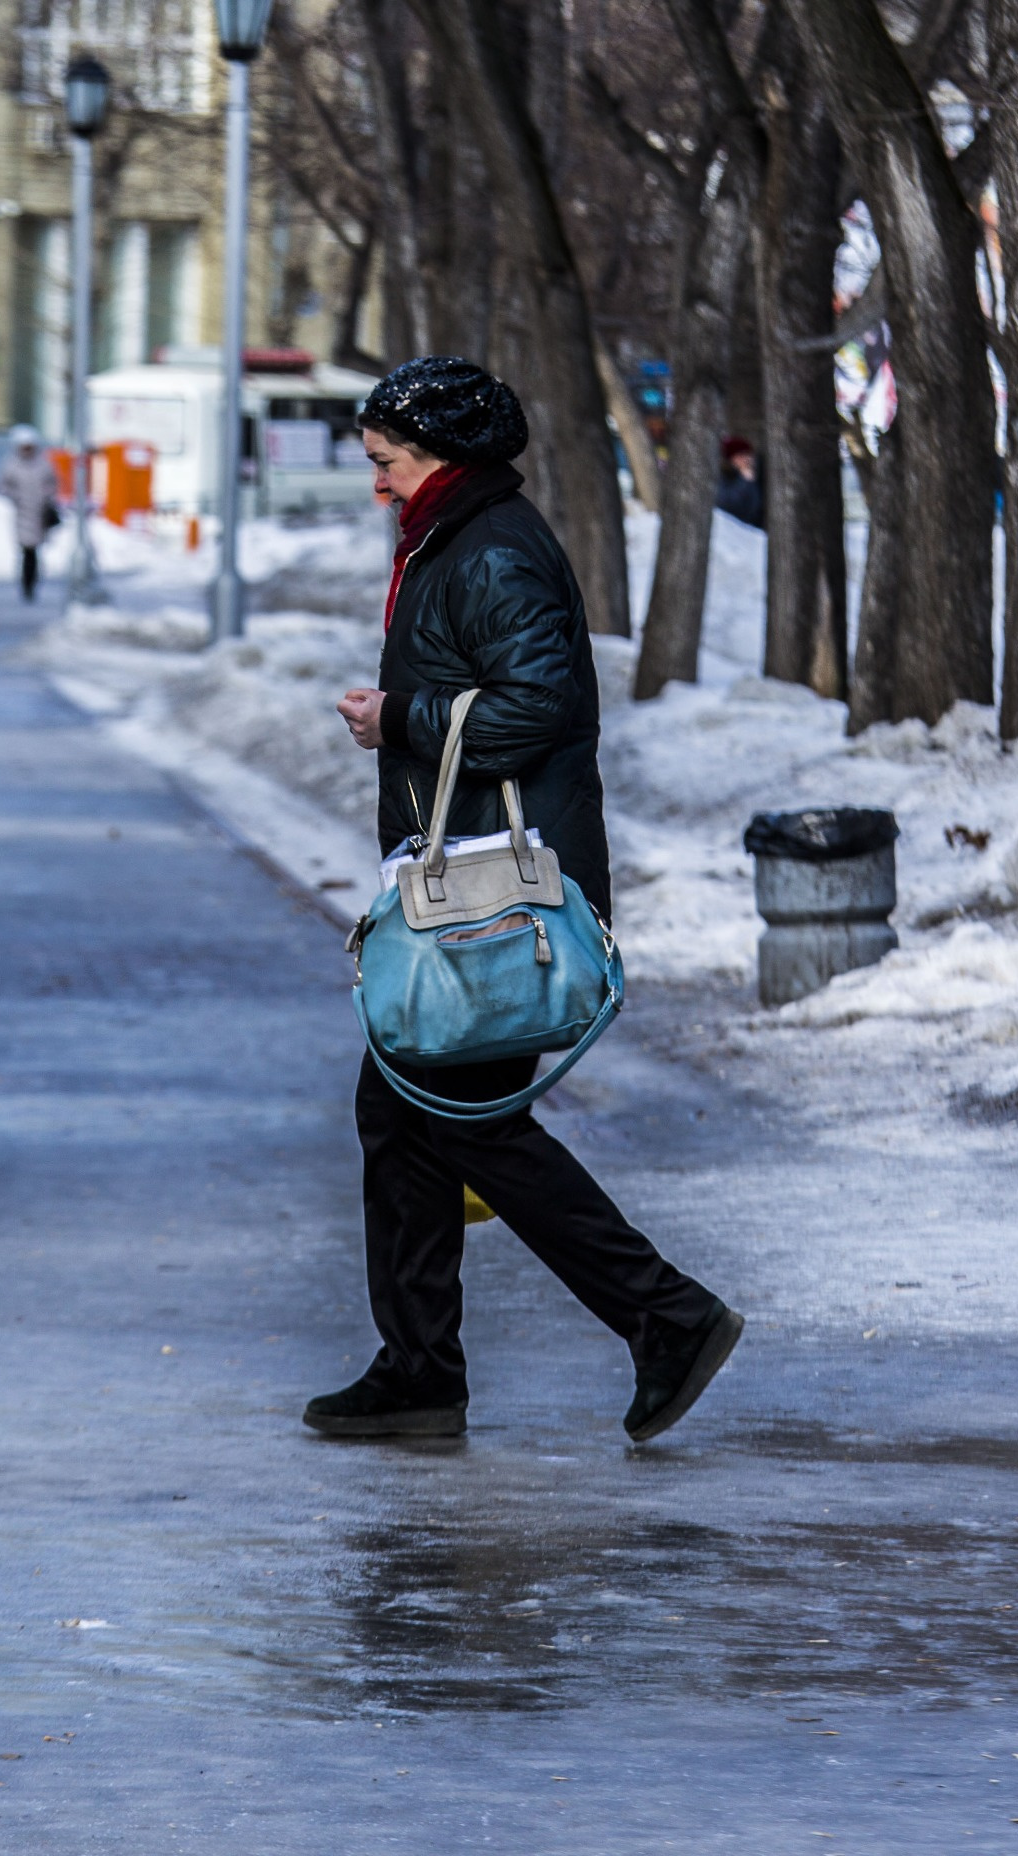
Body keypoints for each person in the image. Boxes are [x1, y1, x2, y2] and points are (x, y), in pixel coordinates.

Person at [310, 355, 742, 1445]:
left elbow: (536, 708)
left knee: (466, 1119)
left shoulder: (491, 552)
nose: (377, 485)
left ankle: (666, 1315)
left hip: (502, 896)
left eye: (387, 462)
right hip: (478, 884)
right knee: (411, 1111)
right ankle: (420, 1369)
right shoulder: (456, 538)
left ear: (441, 455)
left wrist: (399, 718)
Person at [0, 423, 59, 602]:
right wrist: (16, 497)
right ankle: (27, 584)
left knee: (35, 552)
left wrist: (47, 497)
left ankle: (32, 582)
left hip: (39, 513)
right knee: (27, 551)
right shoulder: (11, 464)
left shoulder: (43, 464)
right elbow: (1, 485)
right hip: (22, 514)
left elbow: (53, 483)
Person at [715, 435, 764, 531]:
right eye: (741, 455)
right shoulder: (723, 477)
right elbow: (728, 506)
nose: (747, 459)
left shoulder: (757, 475)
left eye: (748, 454)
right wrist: (744, 482)